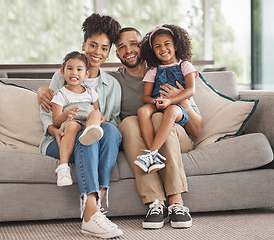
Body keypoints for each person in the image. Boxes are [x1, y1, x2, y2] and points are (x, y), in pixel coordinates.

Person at [38, 14, 123, 239]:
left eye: (104, 48)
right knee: (83, 135)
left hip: (92, 134)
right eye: (92, 45)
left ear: (109, 51)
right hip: (61, 138)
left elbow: (112, 120)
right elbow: (49, 112)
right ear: (83, 45)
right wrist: (53, 129)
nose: (97, 52)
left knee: (108, 131)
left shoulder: (112, 84)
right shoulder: (64, 75)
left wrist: (99, 122)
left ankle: (97, 197)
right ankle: (91, 214)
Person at [112, 27, 202, 229]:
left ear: (143, 47)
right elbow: (82, 76)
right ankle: (156, 203)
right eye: (121, 47)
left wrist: (180, 100)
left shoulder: (180, 71)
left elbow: (196, 130)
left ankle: (176, 201)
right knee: (127, 123)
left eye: (133, 43)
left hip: (178, 135)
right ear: (117, 53)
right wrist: (44, 89)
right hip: (141, 136)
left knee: (159, 117)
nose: (128, 50)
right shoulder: (114, 80)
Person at [134, 24, 198, 174]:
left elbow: (190, 90)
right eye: (157, 46)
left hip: (177, 106)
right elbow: (146, 97)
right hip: (158, 103)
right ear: (153, 51)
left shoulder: (185, 66)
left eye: (166, 44)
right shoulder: (153, 70)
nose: (162, 48)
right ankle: (152, 155)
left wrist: (170, 100)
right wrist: (156, 101)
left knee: (171, 112)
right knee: (142, 111)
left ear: (175, 46)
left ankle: (152, 152)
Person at [52, 51, 104, 187]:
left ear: (86, 74)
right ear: (62, 72)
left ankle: (92, 131)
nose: (74, 73)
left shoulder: (91, 93)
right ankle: (63, 168)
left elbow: (96, 110)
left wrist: (99, 119)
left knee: (96, 113)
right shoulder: (60, 94)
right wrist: (66, 114)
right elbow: (56, 121)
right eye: (70, 69)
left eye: (79, 69)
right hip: (71, 122)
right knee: (72, 126)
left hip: (87, 123)